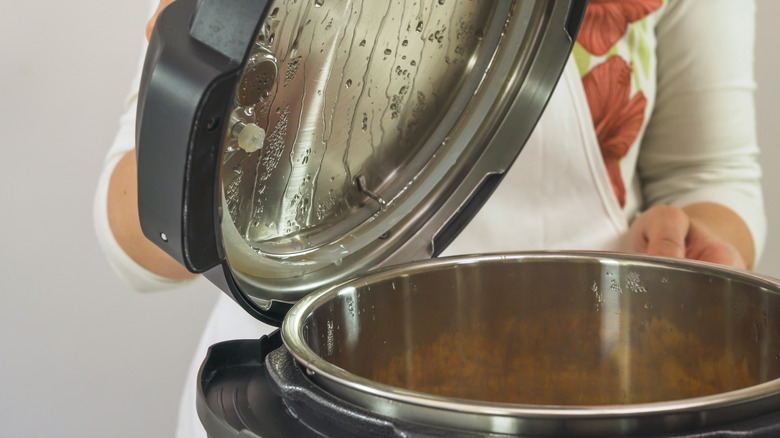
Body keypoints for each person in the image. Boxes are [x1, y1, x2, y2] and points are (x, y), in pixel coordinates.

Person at [94, 1, 765, 436]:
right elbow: (131, 243)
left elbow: (710, 174)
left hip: (599, 391)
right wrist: (216, 131)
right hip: (313, 397)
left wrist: (696, 249)